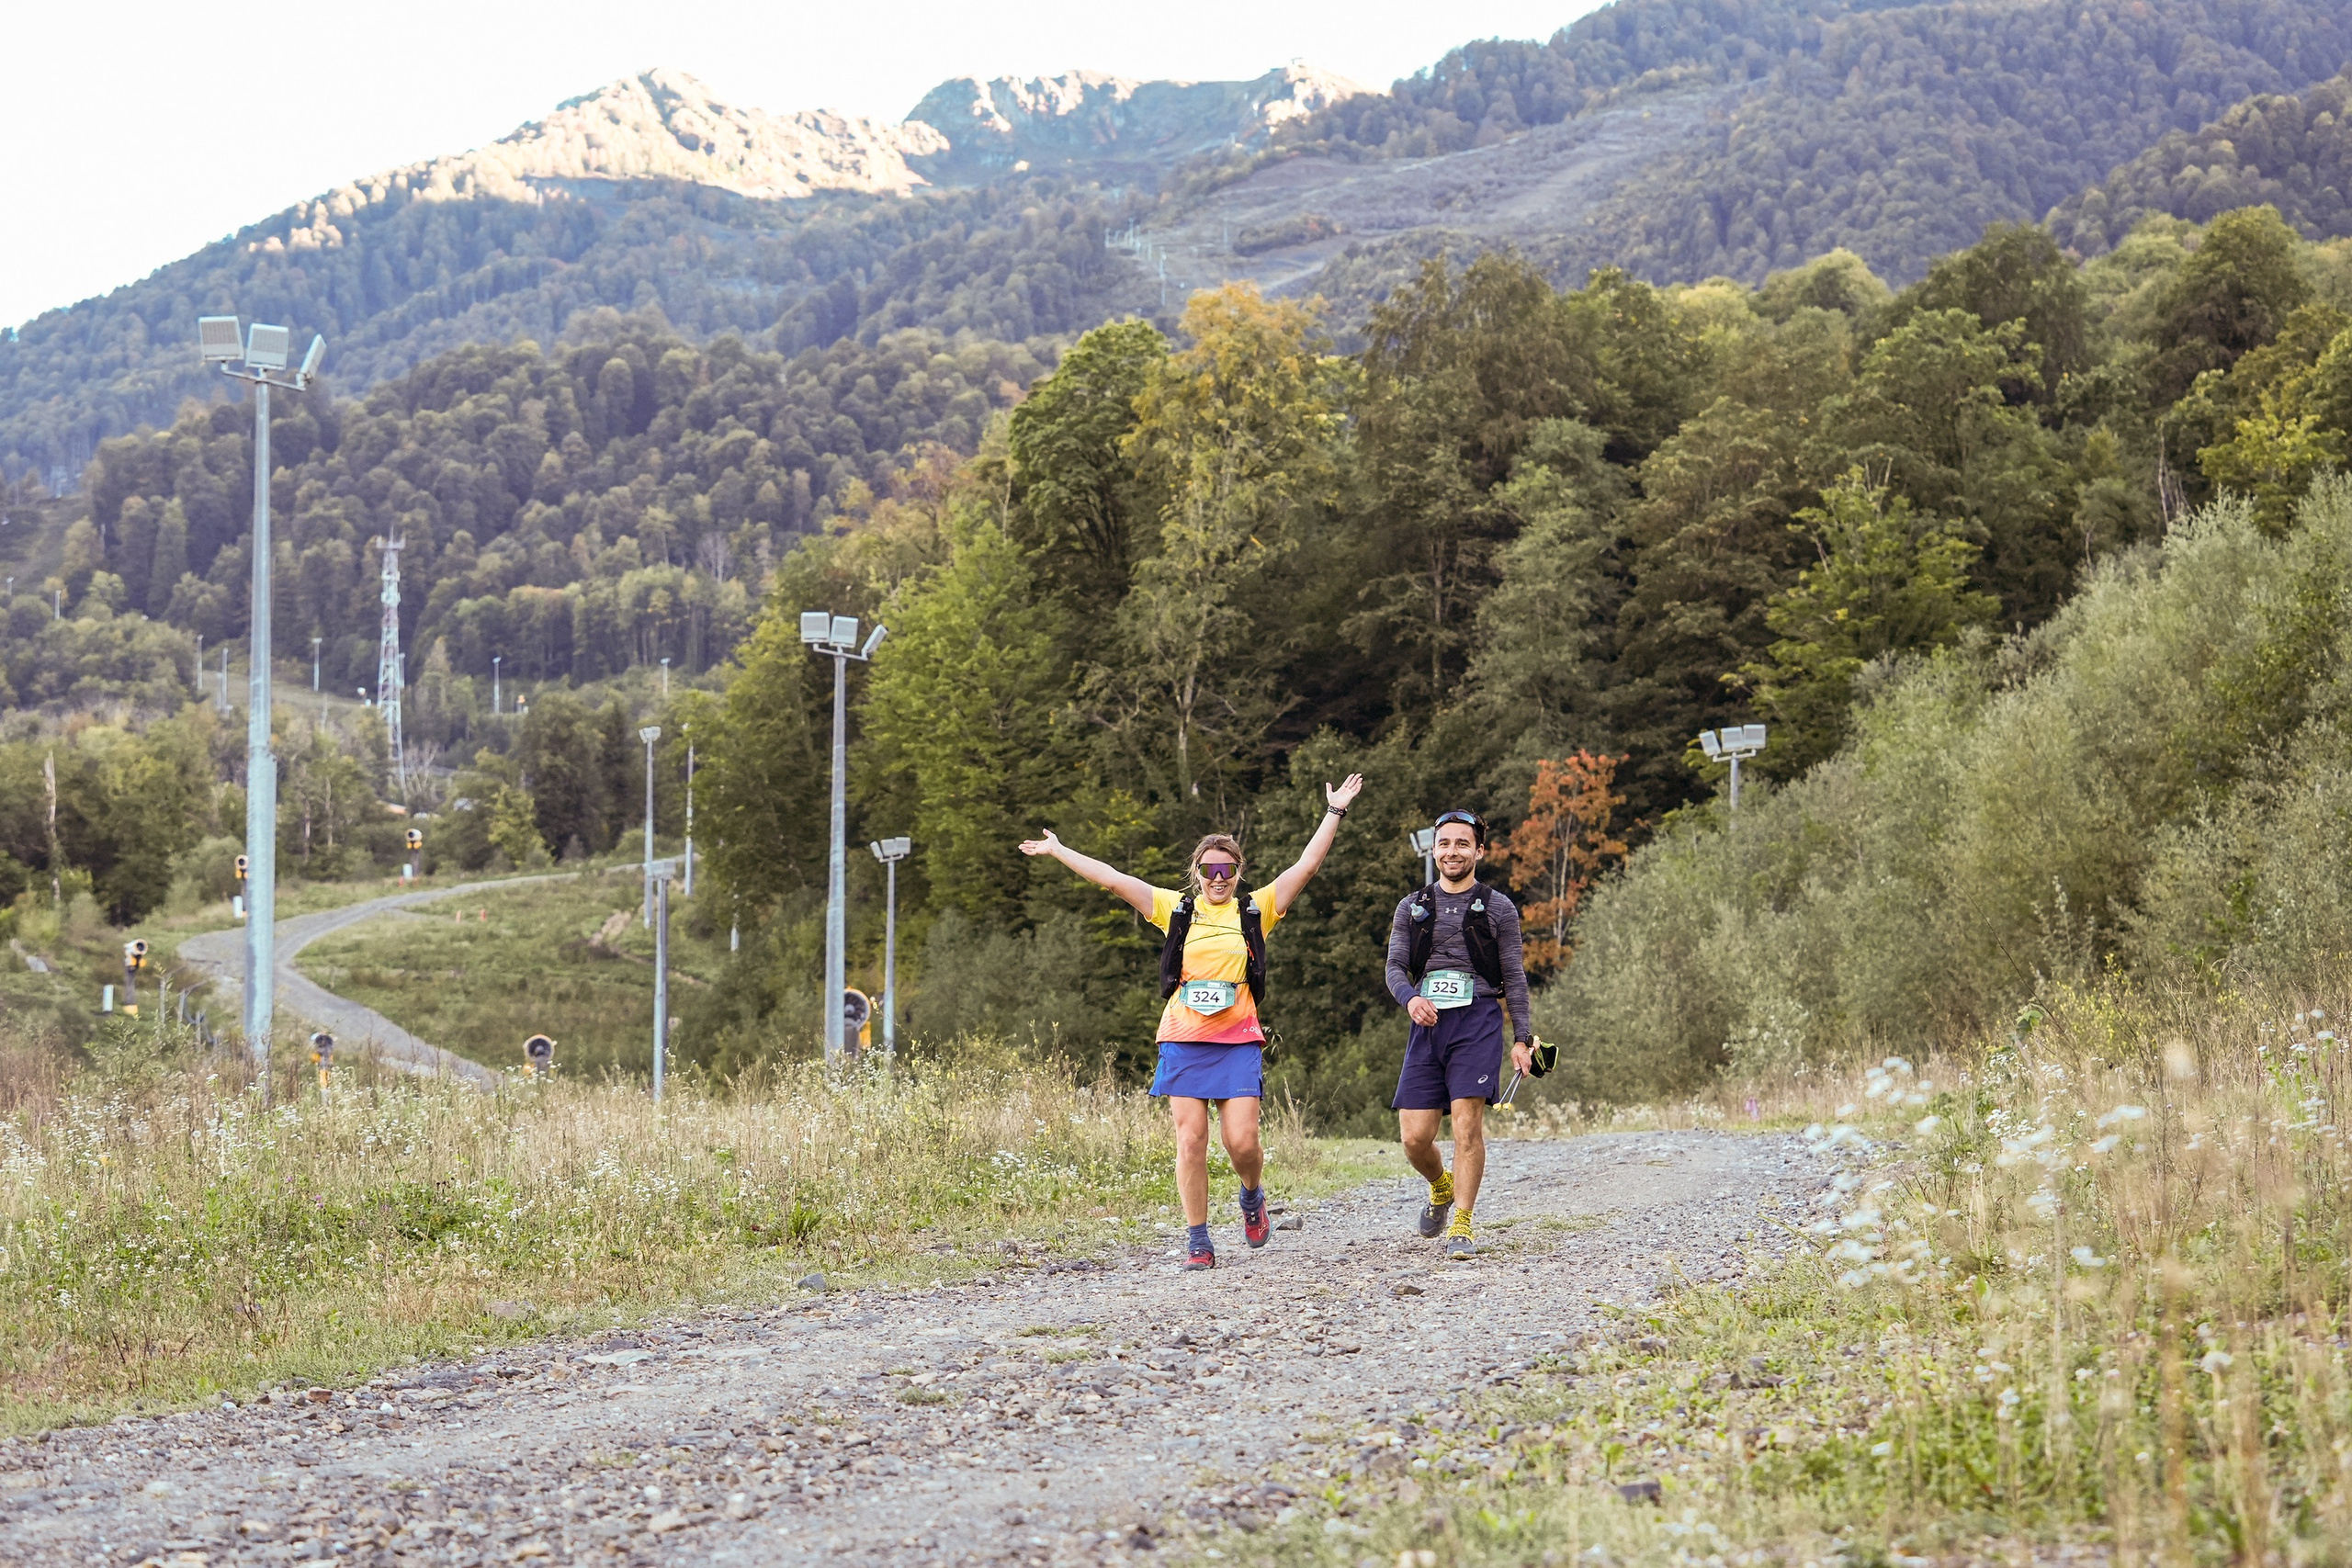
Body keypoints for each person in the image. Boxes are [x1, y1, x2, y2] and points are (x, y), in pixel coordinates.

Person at [1020, 773, 1364, 1271]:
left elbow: (1306, 867)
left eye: (1227, 868)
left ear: (1239, 871)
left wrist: (1334, 811)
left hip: (1238, 1038)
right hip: (1182, 1037)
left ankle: (1251, 1196)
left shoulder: (1256, 908)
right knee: (1191, 1140)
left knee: (1242, 1142)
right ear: (1197, 873)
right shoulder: (1175, 908)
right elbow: (1113, 879)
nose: (1218, 877)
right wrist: (1059, 851)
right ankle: (1198, 1240)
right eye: (1209, 869)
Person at [1385, 809, 1532, 1258]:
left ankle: (1463, 1227)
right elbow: (1394, 967)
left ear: (1479, 851)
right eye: (1445, 843)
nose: (1452, 851)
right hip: (1427, 1022)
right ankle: (1441, 1187)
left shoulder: (1499, 907)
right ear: (1435, 849)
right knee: (1414, 1137)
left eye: (1462, 844)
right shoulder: (1413, 907)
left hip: (1478, 1021)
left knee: (1468, 1127)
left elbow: (1515, 976)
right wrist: (1411, 999)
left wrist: (1522, 1039)